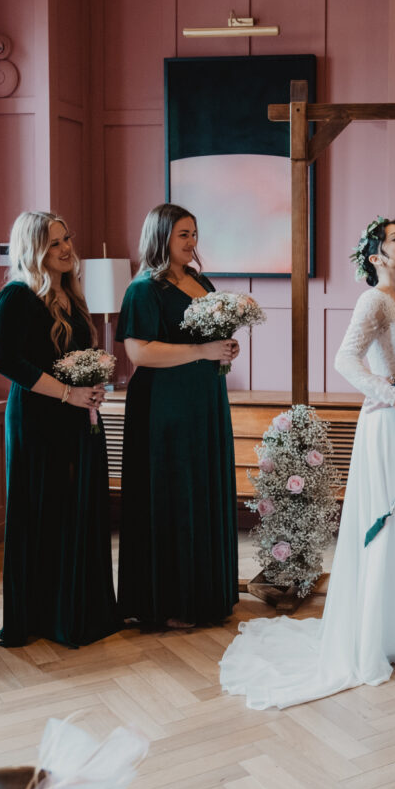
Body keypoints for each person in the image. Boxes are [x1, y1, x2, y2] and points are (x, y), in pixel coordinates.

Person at [220, 217, 395, 708]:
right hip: (386, 422)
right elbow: (346, 360)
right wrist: (392, 396)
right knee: (391, 522)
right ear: (376, 257)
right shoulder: (374, 300)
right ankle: (376, 639)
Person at [0, 211, 120, 648]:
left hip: (80, 417)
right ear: (33, 251)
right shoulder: (16, 296)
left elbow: (81, 356)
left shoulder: (72, 294)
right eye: (53, 244)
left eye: (66, 239)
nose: (66, 249)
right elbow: (6, 361)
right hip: (39, 420)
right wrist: (68, 393)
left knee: (80, 509)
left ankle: (81, 608)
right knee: (46, 511)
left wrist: (93, 386)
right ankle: (45, 616)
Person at [116, 203, 241, 628]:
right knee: (173, 493)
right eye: (183, 234)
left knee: (201, 490)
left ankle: (205, 595)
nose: (192, 242)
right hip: (164, 407)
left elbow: (206, 339)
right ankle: (170, 602)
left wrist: (223, 348)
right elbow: (138, 352)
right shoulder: (144, 290)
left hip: (204, 401)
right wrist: (203, 351)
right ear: (161, 237)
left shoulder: (199, 281)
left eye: (194, 233)